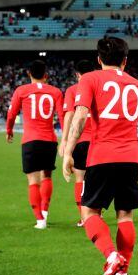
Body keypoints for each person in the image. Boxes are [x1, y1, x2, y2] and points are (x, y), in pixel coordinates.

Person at [62, 37, 138, 275]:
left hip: (101, 156)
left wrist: (68, 151)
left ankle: (112, 256)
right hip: (128, 158)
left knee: (89, 211)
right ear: (125, 60)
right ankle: (122, 273)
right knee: (125, 216)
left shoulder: (89, 79)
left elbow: (80, 116)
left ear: (98, 59)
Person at [6, 60, 64, 229]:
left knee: (32, 180)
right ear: (46, 75)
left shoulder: (22, 91)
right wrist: (66, 138)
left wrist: (9, 130)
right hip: (49, 140)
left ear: (29, 74)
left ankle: (40, 220)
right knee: (47, 176)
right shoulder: (55, 92)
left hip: (30, 140)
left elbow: (11, 114)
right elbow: (62, 116)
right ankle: (45, 211)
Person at [59, 60, 98, 226]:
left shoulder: (72, 90)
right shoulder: (100, 87)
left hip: (81, 141)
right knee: (95, 179)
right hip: (98, 142)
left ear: (77, 75)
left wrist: (65, 140)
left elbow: (69, 115)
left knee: (80, 178)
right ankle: (96, 214)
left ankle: (84, 217)